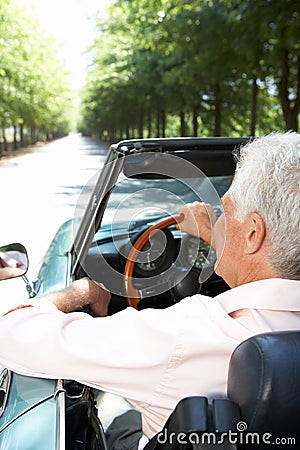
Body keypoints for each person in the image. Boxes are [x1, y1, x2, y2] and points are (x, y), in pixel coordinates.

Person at [0, 132, 299, 447]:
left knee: (114, 406)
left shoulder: (189, 333)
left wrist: (81, 292)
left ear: (253, 233)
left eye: (224, 211)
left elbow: (10, 333)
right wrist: (214, 233)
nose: (219, 219)